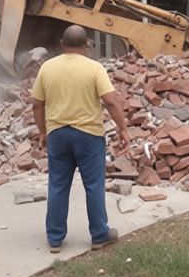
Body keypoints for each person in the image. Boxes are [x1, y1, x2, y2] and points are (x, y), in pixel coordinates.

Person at [32, 25, 130, 253]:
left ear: (61, 43)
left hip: (58, 134)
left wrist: (43, 131)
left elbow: (37, 104)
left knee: (57, 185)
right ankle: (99, 235)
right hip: (89, 136)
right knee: (94, 185)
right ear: (87, 44)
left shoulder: (47, 68)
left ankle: (55, 239)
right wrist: (123, 128)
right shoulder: (94, 68)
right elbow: (111, 101)